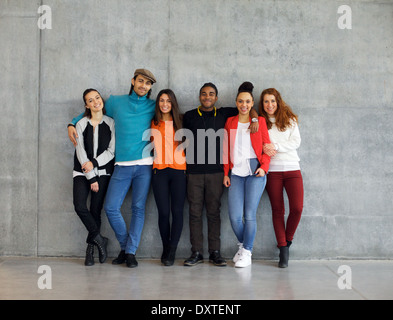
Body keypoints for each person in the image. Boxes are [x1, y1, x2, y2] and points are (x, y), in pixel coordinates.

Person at [68, 69, 157, 268]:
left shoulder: (153, 105)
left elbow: (171, 114)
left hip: (144, 166)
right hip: (121, 165)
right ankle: (125, 246)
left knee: (138, 208)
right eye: (140, 81)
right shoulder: (116, 102)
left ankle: (130, 252)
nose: (143, 85)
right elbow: (94, 108)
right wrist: (72, 123)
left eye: (148, 83)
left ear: (151, 87)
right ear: (133, 81)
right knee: (110, 207)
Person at [182, 82, 259, 267]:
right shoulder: (190, 116)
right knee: (194, 213)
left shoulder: (225, 113)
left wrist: (255, 119)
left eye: (211, 94)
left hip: (217, 173)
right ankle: (197, 252)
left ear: (216, 98)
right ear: (199, 96)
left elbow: (248, 108)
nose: (207, 97)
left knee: (214, 213)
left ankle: (215, 252)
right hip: (194, 173)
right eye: (203, 94)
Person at [223, 82, 271, 268]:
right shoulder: (230, 122)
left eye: (248, 101)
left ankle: (247, 252)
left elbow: (266, 148)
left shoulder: (259, 121)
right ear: (236, 102)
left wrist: (264, 167)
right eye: (241, 101)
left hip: (255, 172)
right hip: (235, 173)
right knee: (235, 216)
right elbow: (226, 150)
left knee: (249, 215)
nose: (244, 104)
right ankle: (244, 247)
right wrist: (225, 173)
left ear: (252, 103)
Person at [258, 88, 303, 268]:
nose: (270, 105)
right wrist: (265, 147)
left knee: (297, 208)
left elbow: (295, 142)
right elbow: (260, 144)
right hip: (273, 171)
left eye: (273, 101)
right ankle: (283, 248)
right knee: (278, 211)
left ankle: (288, 239)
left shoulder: (290, 120)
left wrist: (274, 145)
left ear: (278, 102)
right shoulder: (261, 123)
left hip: (292, 169)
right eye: (266, 102)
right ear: (262, 104)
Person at [73, 88, 115, 266]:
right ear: (86, 105)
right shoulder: (81, 124)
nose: (95, 102)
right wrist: (90, 177)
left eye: (97, 98)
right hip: (82, 172)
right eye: (90, 100)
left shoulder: (111, 123)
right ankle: (99, 238)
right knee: (80, 206)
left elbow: (111, 151)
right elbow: (80, 151)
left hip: (103, 172)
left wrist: (95, 164)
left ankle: (90, 251)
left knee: (95, 211)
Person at [150, 89, 187, 266]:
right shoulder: (152, 122)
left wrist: (255, 116)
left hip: (179, 171)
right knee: (163, 212)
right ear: (158, 103)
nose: (165, 104)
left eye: (169, 101)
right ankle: (166, 247)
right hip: (159, 172)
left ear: (173, 103)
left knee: (177, 212)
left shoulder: (181, 120)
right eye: (162, 100)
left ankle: (172, 250)